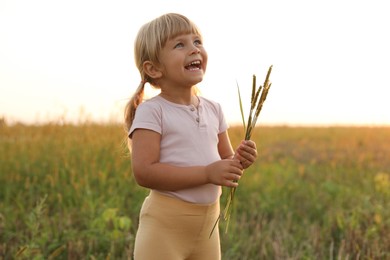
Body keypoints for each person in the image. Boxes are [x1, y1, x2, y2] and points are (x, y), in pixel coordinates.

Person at [124, 13, 258, 260]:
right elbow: (144, 172)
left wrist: (241, 160)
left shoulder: (213, 108)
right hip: (165, 227)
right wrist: (207, 173)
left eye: (197, 41)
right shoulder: (153, 111)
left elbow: (226, 160)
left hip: (207, 228)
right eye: (180, 44)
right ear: (153, 68)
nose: (194, 50)